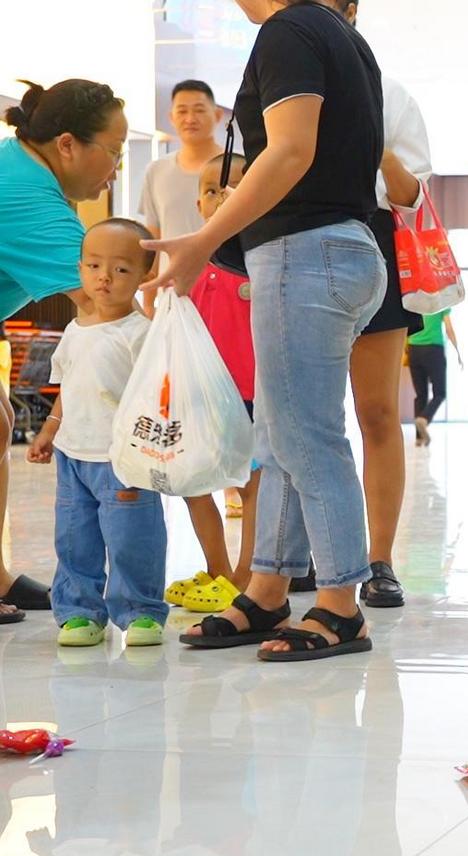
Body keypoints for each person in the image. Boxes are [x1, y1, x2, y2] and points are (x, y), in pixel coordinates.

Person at [144, 0, 388, 664]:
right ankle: (268, 589)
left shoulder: (289, 29)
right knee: (281, 433)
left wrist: (204, 240)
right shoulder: (337, 34)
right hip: (339, 247)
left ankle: (340, 605)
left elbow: (289, 152)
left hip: (305, 252)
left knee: (306, 436)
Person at [316, 0, 433, 610]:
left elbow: (412, 193)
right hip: (300, 241)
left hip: (375, 239)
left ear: (352, 12)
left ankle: (379, 558)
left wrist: (375, 138)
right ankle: (309, 555)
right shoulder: (285, 84)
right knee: (304, 416)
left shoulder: (390, 94)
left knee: (379, 411)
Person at [0, 78, 128, 623]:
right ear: (68, 144)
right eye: (114, 151)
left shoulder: (22, 166)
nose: (116, 168)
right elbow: (106, 303)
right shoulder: (31, 198)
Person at [26, 220, 167, 647]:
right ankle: (79, 612)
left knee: (131, 538)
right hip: (73, 456)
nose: (104, 277)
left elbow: (159, 395)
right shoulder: (75, 330)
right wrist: (49, 429)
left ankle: (141, 612)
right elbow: (68, 387)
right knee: (74, 538)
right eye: (93, 265)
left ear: (144, 275)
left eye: (121, 269)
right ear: (80, 269)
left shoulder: (141, 334)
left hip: (123, 458)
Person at [165, 152, 261, 613]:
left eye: (236, 187)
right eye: (211, 190)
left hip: (251, 395)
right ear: (198, 205)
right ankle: (218, 568)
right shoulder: (190, 261)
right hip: (197, 393)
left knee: (252, 485)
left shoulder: (259, 258)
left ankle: (249, 572)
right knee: (193, 481)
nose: (222, 196)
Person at [139, 80, 224, 243]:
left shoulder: (237, 166)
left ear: (217, 115)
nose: (190, 119)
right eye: (182, 111)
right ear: (172, 117)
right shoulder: (156, 170)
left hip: (225, 260)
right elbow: (154, 234)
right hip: (171, 261)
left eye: (199, 110)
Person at [407, 310, 460, 446]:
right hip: (433, 349)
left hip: (414, 349)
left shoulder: (415, 301)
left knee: (420, 395)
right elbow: (448, 329)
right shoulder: (440, 301)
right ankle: (424, 418)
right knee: (440, 393)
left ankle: (419, 438)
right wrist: (458, 351)